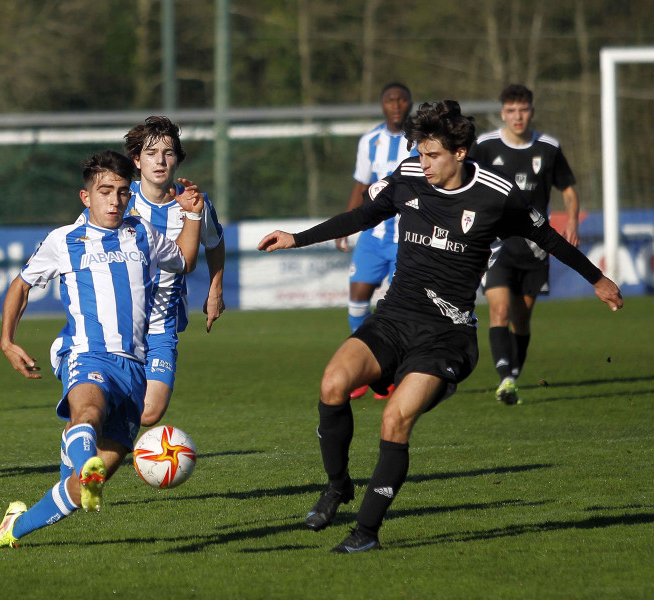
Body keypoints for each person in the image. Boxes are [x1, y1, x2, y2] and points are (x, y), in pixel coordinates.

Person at [257, 100, 622, 554]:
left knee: (395, 419)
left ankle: (366, 533)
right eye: (420, 153)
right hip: (393, 318)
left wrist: (598, 279)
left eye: (433, 156)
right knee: (332, 384)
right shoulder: (408, 176)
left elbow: (544, 236)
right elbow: (361, 218)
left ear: (461, 152)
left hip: (446, 335)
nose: (422, 163)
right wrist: (297, 237)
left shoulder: (497, 194)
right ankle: (337, 486)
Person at [0, 150, 203, 549]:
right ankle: (84, 460)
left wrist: (194, 216)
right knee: (89, 411)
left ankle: (13, 528)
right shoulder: (64, 240)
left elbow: (184, 260)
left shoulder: (144, 234)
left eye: (121, 192)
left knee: (81, 492)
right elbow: (21, 285)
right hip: (86, 353)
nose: (114, 201)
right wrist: (7, 340)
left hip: (135, 367)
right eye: (104, 192)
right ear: (86, 197)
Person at [469, 84, 581, 405]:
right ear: (502, 113)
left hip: (535, 248)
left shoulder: (548, 147)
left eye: (524, 110)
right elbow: (468, 181)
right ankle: (505, 377)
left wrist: (571, 220)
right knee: (499, 311)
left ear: (531, 111)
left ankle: (512, 376)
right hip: (498, 245)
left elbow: (568, 189)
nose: (518, 117)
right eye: (511, 111)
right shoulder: (486, 146)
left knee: (522, 319)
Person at [123, 116, 225, 426]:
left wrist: (215, 290)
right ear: (137, 160)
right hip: (117, 323)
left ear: (177, 160)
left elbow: (214, 242)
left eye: (168, 153)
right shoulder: (117, 199)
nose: (160, 160)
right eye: (151, 153)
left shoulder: (195, 204)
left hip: (160, 325)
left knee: (149, 413)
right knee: (100, 403)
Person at [337, 83, 417, 400]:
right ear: (382, 105)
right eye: (389, 100)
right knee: (357, 297)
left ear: (409, 103)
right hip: (373, 234)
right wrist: (344, 225)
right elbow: (361, 184)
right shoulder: (370, 141)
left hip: (408, 237)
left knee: (402, 306)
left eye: (401, 99)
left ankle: (397, 370)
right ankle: (365, 366)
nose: (396, 104)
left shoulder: (420, 140)